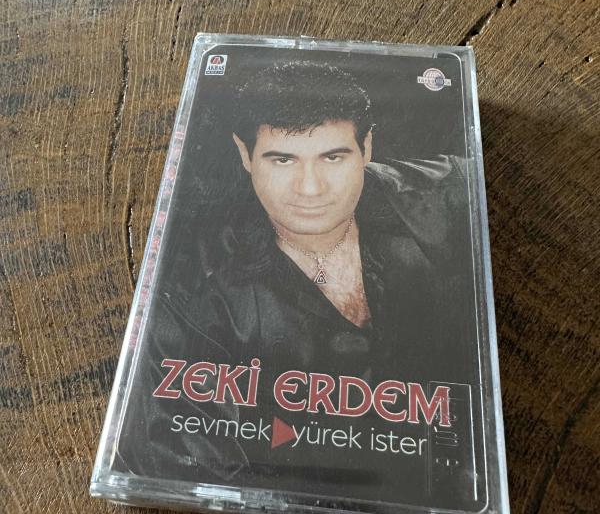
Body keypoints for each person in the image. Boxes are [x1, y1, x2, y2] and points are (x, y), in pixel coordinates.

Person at [117, 59, 475, 485]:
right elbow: (183, 460)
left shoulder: (446, 198)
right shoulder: (194, 292)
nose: (310, 188)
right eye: (283, 160)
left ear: (367, 148)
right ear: (245, 155)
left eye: (333, 157)